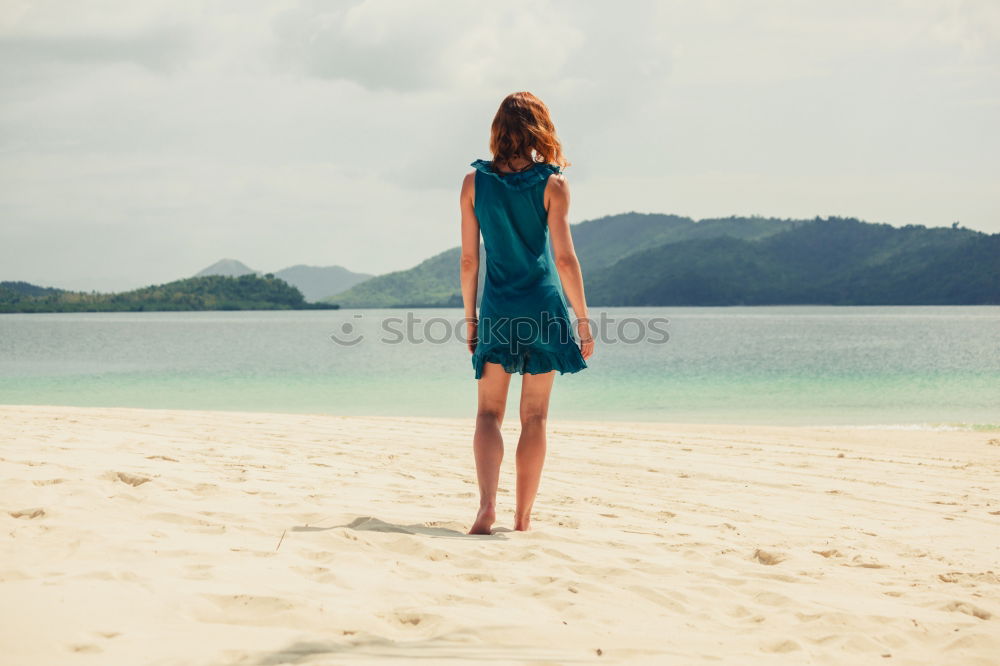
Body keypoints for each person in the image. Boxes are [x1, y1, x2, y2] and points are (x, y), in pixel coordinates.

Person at [458, 91, 594, 535]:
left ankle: (485, 508)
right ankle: (522, 517)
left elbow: (468, 261)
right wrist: (583, 319)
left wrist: (471, 319)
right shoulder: (553, 184)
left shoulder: (474, 184)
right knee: (534, 416)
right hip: (543, 306)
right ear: (540, 127)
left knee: (487, 415)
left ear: (499, 130)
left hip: (498, 307)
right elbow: (565, 259)